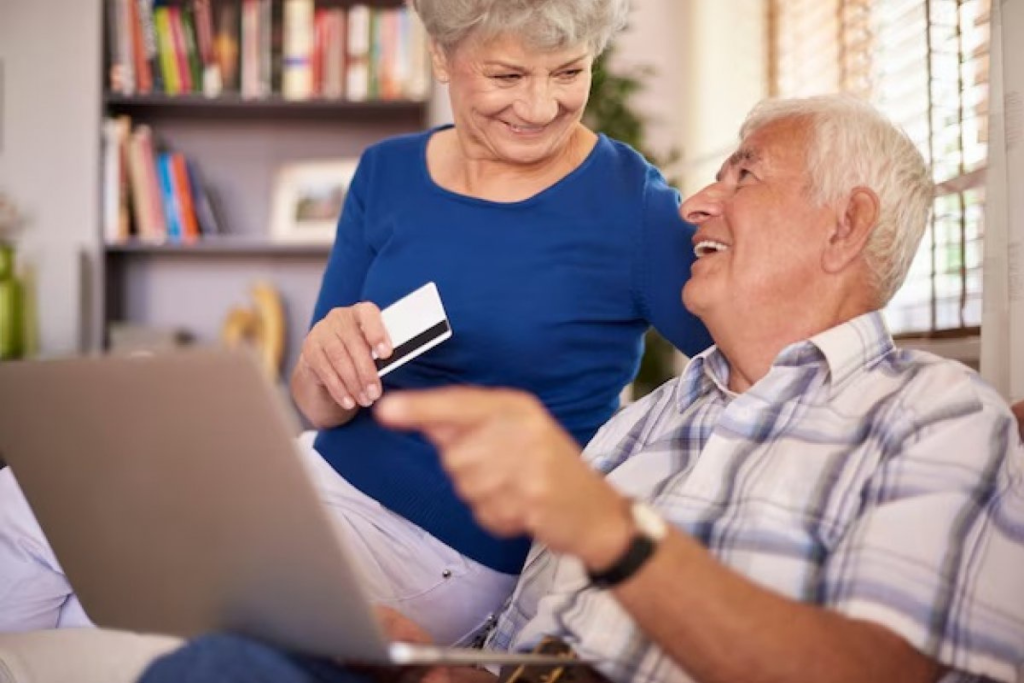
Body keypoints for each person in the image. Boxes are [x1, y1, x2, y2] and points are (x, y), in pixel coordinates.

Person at [142, 95, 1024, 683]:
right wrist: (434, 659)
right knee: (222, 661)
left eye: (743, 174)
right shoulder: (642, 427)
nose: (695, 204)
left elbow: (871, 671)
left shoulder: (934, 415)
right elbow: (519, 647)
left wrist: (613, 532)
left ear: (847, 225)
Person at [0, 0, 712, 642]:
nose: (540, 106)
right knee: (23, 501)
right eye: (506, 76)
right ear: (441, 55)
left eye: (569, 71)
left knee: (105, 615)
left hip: (443, 551)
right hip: (310, 474)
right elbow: (317, 403)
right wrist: (326, 356)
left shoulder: (632, 205)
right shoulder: (387, 172)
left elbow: (759, 361)